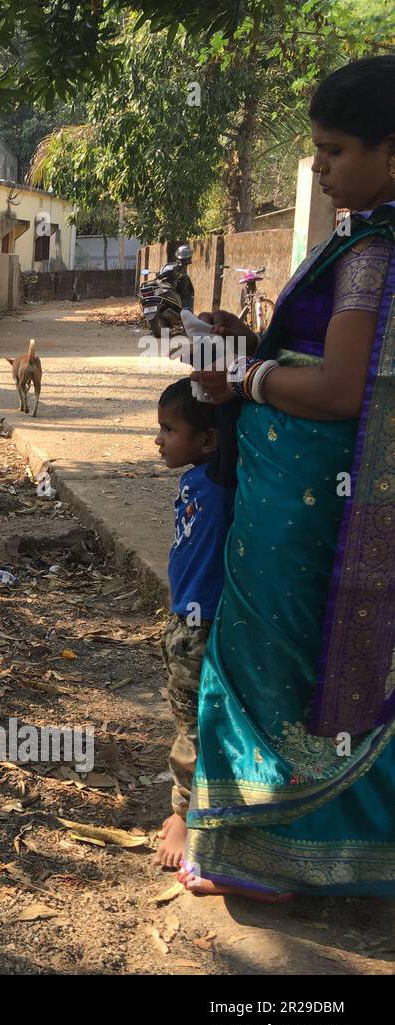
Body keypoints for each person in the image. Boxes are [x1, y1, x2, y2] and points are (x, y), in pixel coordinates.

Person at [182, 55, 395, 900]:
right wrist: (252, 342)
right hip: (293, 489)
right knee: (267, 651)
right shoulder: (359, 238)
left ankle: (273, 850)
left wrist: (245, 379)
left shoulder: (377, 250)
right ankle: (251, 837)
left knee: (276, 657)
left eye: (336, 151)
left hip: (310, 502)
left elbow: (341, 389)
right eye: (316, 149)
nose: (319, 167)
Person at [152, 379, 234, 870]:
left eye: (168, 429)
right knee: (186, 714)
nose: (159, 440)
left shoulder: (224, 480)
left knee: (193, 724)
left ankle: (185, 815)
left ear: (207, 440)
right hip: (183, 619)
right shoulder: (196, 477)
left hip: (199, 629)